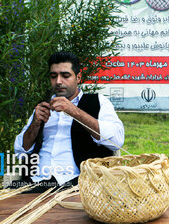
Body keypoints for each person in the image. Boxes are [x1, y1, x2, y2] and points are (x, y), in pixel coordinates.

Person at [13, 51, 125, 192]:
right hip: (35, 183)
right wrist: (35, 124)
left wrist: (73, 111)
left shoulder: (98, 102)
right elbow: (20, 151)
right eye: (54, 76)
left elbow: (116, 141)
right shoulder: (43, 107)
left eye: (65, 76)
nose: (59, 81)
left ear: (78, 77)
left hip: (79, 186)